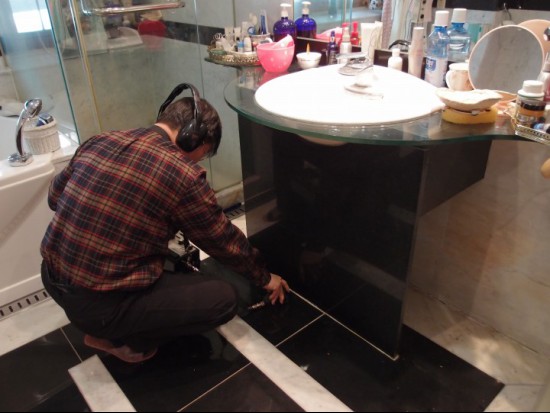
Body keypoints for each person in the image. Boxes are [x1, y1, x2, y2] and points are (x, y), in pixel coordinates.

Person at [40, 83, 289, 363]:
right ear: (194, 140)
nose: (200, 160)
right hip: (101, 308)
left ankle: (105, 323)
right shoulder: (182, 173)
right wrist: (264, 277)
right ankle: (120, 339)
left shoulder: (100, 140)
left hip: (51, 277)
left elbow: (54, 197)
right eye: (205, 153)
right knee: (223, 299)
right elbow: (221, 240)